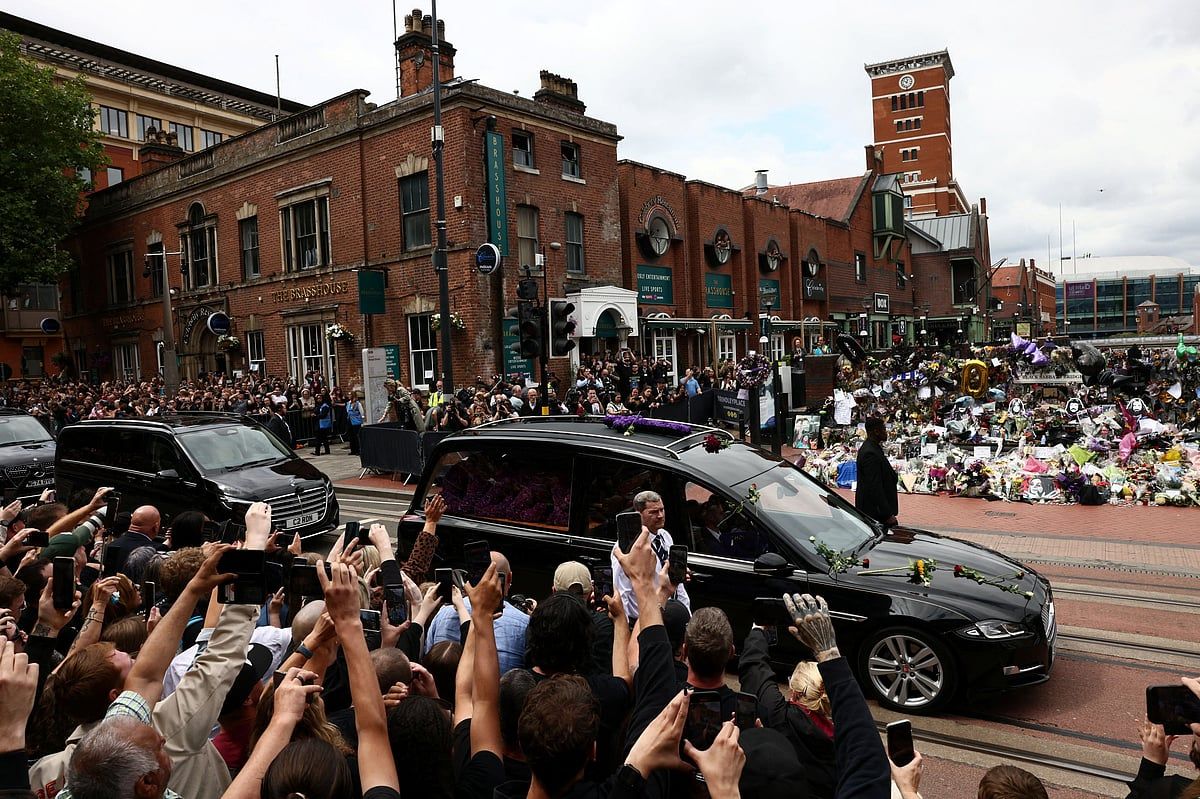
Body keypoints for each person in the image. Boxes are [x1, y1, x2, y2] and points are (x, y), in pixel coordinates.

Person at [610, 490, 689, 621]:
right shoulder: (626, 547)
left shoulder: (665, 536)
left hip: (669, 613)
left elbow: (676, 583)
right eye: (653, 512)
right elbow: (621, 591)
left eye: (662, 510)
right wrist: (625, 625)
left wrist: (686, 611)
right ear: (638, 514)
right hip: (642, 619)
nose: (660, 515)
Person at [855, 416, 898, 527]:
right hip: (874, 513)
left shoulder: (874, 448)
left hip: (876, 512)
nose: (886, 432)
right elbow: (874, 486)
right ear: (876, 431)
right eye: (884, 429)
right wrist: (887, 514)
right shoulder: (870, 453)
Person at [312, 391, 332, 456]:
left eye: (320, 398)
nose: (319, 399)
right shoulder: (318, 405)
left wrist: (316, 416)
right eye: (317, 398)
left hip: (322, 424)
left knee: (319, 438)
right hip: (319, 424)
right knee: (324, 438)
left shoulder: (325, 406)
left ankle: (317, 451)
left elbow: (323, 415)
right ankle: (326, 450)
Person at [345, 390, 364, 456]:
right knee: (351, 436)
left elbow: (361, 412)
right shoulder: (348, 403)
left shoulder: (357, 403)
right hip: (350, 421)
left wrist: (362, 420)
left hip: (356, 422)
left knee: (356, 436)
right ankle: (353, 450)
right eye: (348, 394)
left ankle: (358, 450)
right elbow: (347, 411)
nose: (349, 396)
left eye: (350, 394)